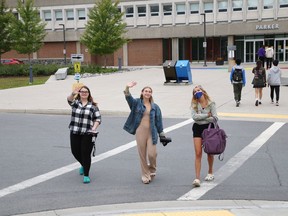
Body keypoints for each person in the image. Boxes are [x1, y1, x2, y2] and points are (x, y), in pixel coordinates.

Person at [123, 81, 166, 184]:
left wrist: (162, 134)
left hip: (152, 132)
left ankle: (152, 169)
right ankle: (145, 175)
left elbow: (159, 121)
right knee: (142, 154)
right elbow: (128, 98)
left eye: (149, 91)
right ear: (142, 93)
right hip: (140, 131)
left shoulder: (155, 107)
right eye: (146, 91)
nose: (147, 93)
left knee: (152, 154)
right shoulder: (136, 103)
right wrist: (127, 88)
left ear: (151, 94)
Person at [67, 85, 101, 184]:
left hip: (88, 133)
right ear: (79, 93)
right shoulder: (75, 103)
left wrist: (94, 128)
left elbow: (98, 119)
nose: (84, 93)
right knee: (75, 151)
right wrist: (73, 93)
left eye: (86, 92)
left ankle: (86, 175)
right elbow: (69, 100)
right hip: (74, 131)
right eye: (82, 91)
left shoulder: (93, 106)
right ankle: (83, 164)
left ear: (89, 94)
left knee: (86, 154)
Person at [191, 85, 218, 187]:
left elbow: (215, 118)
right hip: (197, 128)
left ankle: (210, 172)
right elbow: (194, 117)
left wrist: (202, 117)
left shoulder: (211, 103)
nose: (197, 92)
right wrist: (207, 115)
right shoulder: (194, 104)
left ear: (203, 91)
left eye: (198, 90)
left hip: (209, 128)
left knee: (209, 152)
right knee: (198, 153)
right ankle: (197, 178)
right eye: (195, 91)